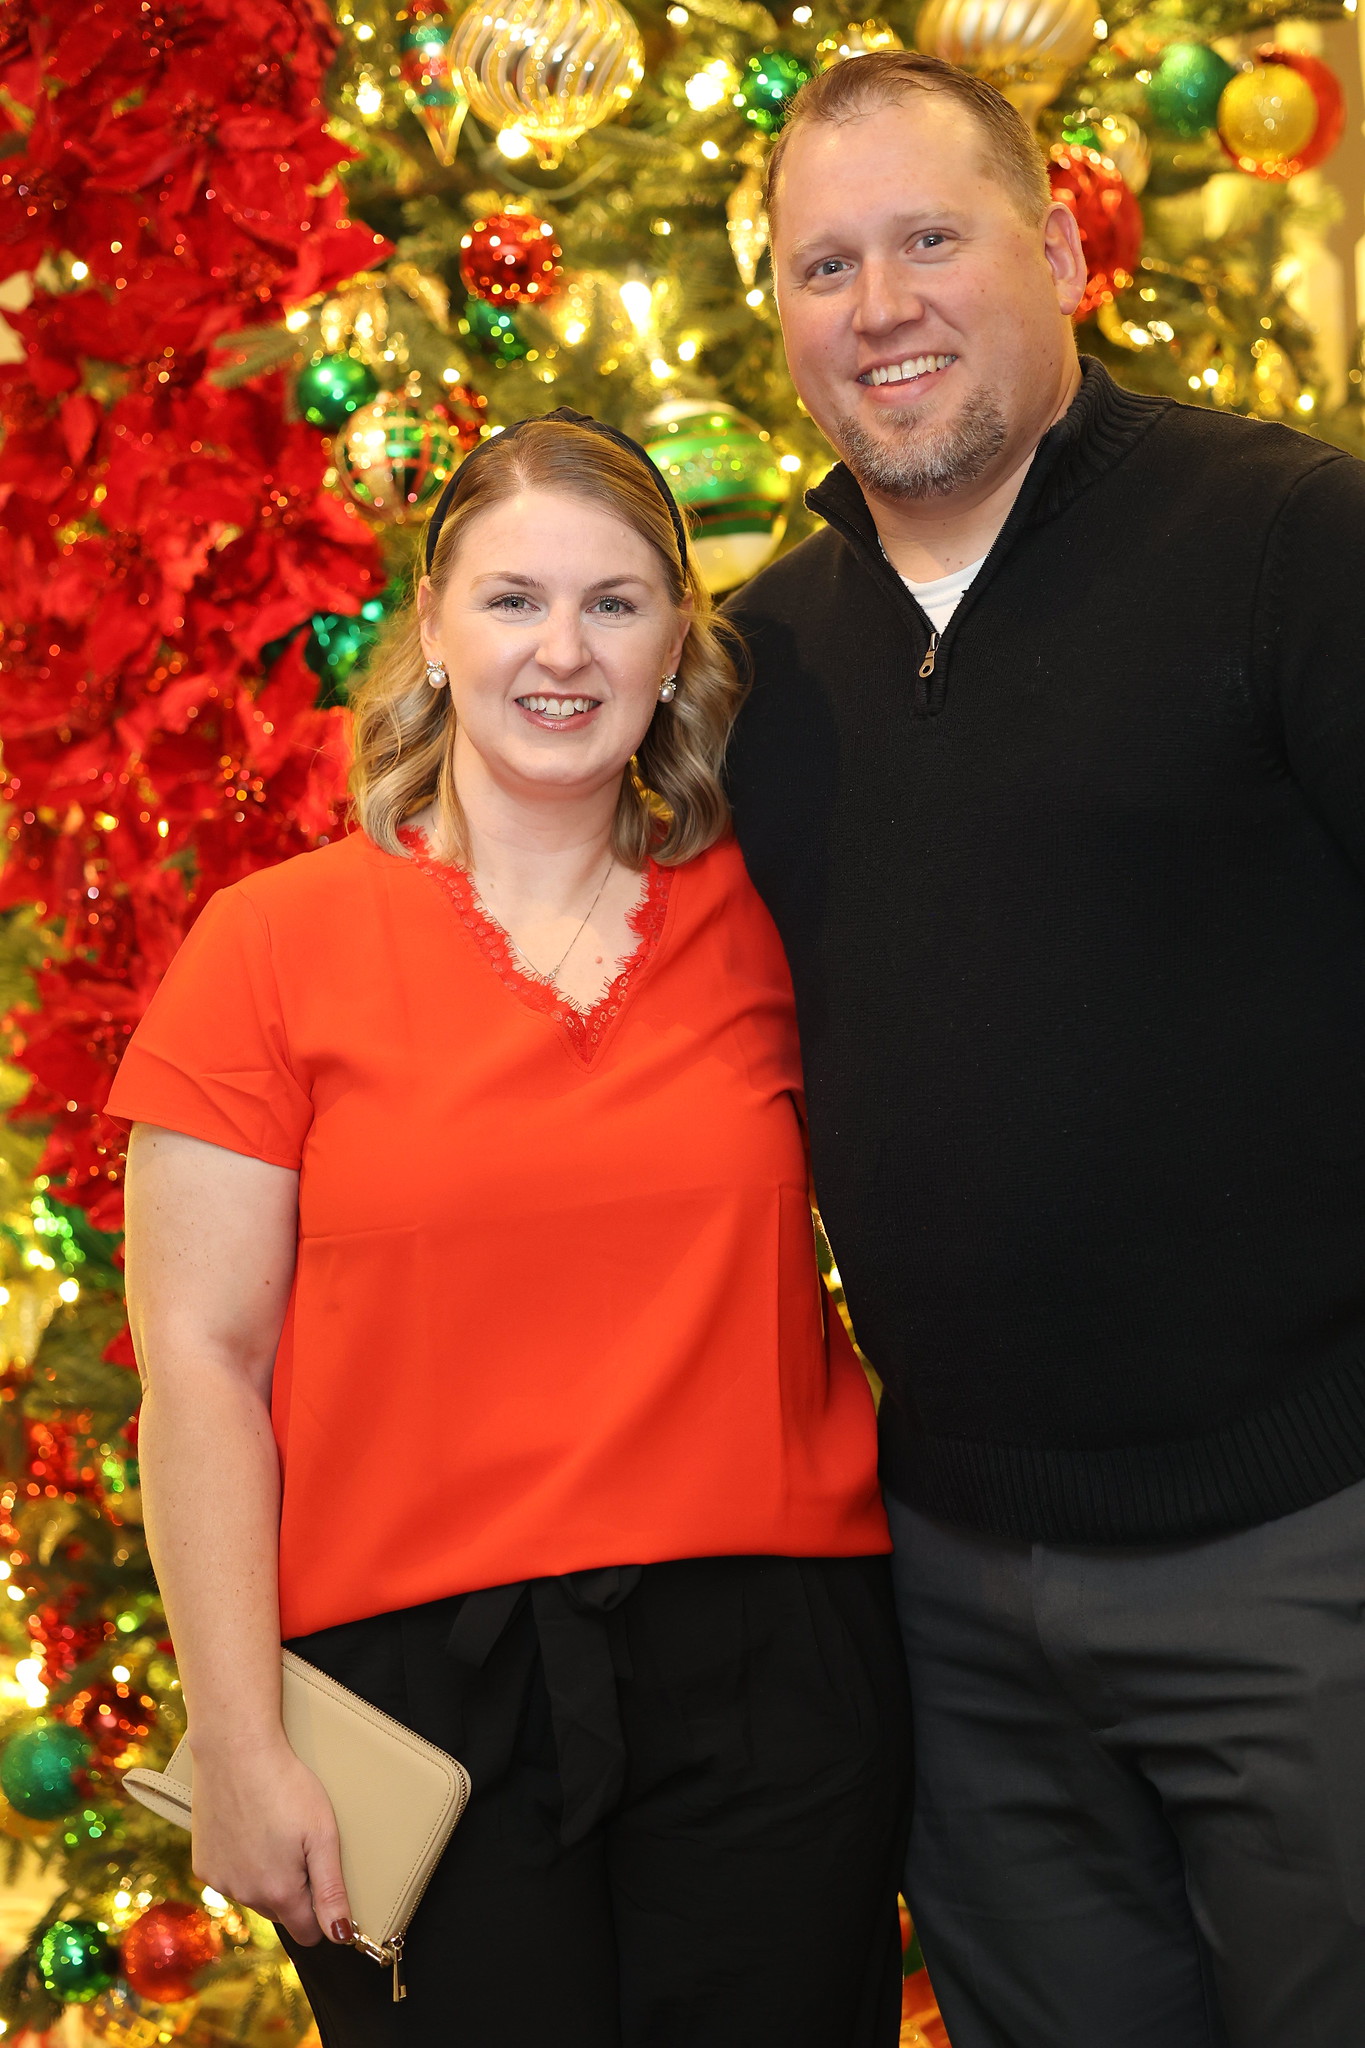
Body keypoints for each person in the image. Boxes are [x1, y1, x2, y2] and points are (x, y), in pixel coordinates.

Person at [109, 411, 913, 2047]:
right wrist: (239, 1740)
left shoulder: (778, 915)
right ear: (431, 624)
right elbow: (198, 1360)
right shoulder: (271, 946)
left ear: (677, 641)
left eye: (616, 604)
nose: (563, 650)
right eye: (513, 600)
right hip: (412, 1699)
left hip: (769, 1675)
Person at [724, 49, 1365, 2048]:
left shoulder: (1286, 539)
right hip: (947, 1578)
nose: (879, 304)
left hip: (1301, 1540)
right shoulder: (751, 665)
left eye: (928, 238)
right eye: (824, 264)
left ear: (1060, 246)